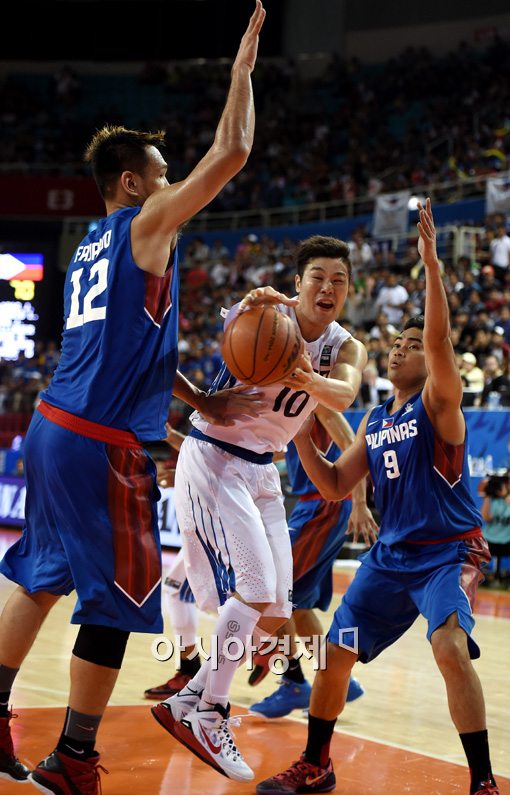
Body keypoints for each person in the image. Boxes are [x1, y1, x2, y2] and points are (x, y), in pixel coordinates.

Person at [0, 3, 266, 793]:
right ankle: (74, 757)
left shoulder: (91, 247)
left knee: (39, 577)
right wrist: (240, 73)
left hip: (53, 426)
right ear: (132, 183)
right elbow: (232, 152)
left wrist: (196, 403)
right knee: (118, 603)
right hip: (96, 443)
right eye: (162, 172)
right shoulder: (146, 223)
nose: (171, 183)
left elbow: (124, 346)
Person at [257, 200, 500, 795]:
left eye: (411, 345)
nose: (399, 349)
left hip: (448, 552)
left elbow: (439, 339)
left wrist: (432, 267)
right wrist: (300, 430)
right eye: (396, 342)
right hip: (391, 557)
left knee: (448, 648)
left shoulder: (438, 404)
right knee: (334, 654)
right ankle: (316, 763)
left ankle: (483, 781)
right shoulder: (373, 419)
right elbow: (334, 486)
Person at [151, 233, 367, 783]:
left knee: (275, 612)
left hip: (264, 472)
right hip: (216, 455)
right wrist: (248, 307)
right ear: (298, 283)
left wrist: (306, 377)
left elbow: (344, 395)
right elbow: (218, 331)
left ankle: (189, 699)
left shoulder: (346, 347)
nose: (328, 288)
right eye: (318, 277)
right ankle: (211, 712)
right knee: (251, 586)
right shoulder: (268, 314)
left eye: (339, 280)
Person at [248, 406, 378, 718]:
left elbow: (353, 448)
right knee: (299, 605)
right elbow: (284, 451)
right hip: (320, 506)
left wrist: (360, 502)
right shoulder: (295, 406)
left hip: (323, 505)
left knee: (270, 589)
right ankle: (339, 680)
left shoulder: (319, 403)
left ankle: (293, 681)